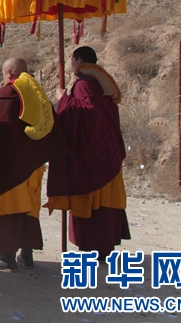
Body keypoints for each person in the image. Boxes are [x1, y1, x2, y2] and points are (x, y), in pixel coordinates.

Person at [0, 57, 66, 271]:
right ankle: (26, 254)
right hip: (33, 165)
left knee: (9, 207)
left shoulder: (6, 95)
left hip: (11, 166)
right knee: (27, 208)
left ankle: (7, 255)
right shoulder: (39, 96)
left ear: (9, 74)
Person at [45, 46, 130, 257]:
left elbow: (88, 114)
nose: (71, 64)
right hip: (107, 150)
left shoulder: (84, 84)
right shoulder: (101, 85)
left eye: (72, 60)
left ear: (80, 61)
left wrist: (63, 99)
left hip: (92, 156)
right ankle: (101, 247)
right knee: (104, 201)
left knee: (94, 202)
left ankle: (94, 247)